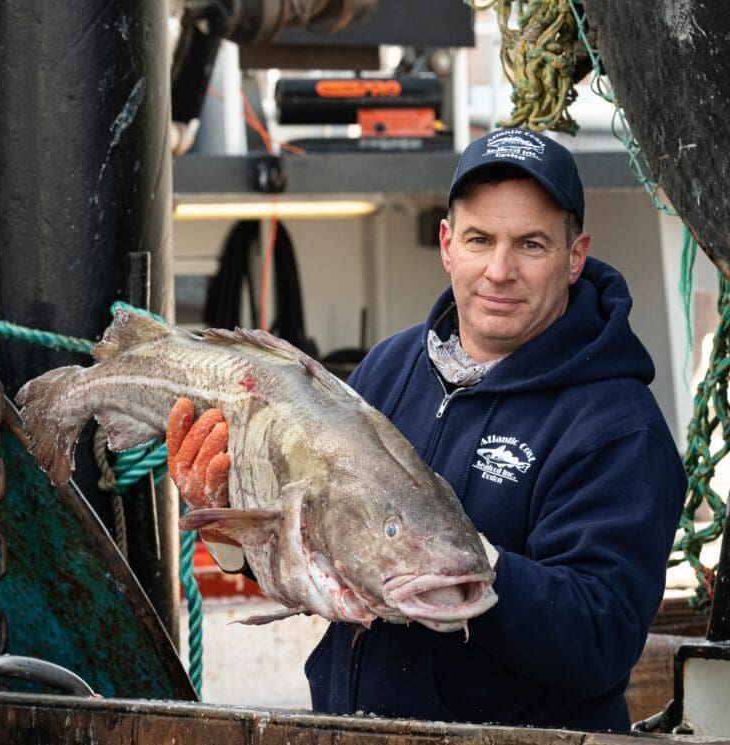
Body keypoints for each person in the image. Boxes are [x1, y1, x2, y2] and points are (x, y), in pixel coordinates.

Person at [167, 127, 687, 732]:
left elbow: (602, 641)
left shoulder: (616, 428)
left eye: (531, 244)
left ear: (575, 257)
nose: (499, 269)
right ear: (447, 244)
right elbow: (321, 557)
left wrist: (470, 565)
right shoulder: (389, 368)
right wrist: (228, 529)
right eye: (479, 239)